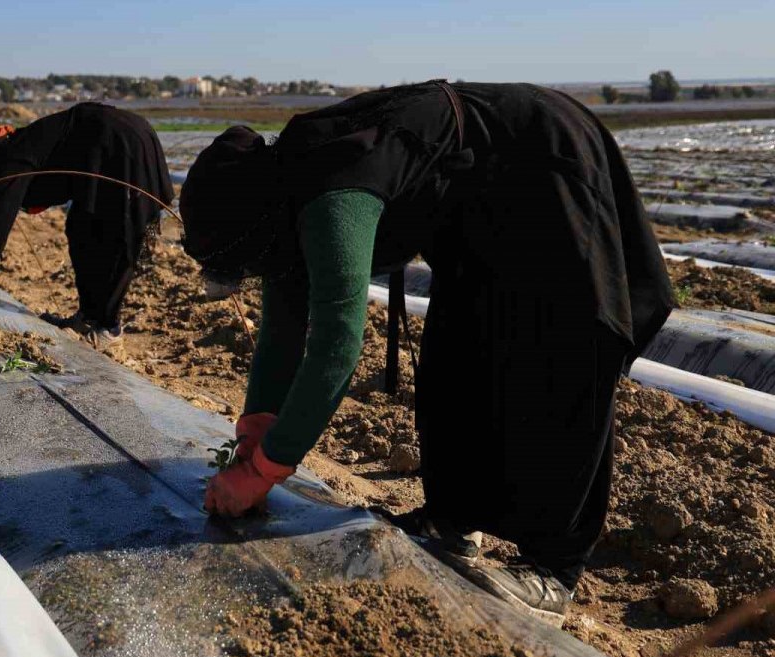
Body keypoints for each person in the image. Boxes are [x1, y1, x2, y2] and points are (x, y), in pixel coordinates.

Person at [180, 80, 673, 626]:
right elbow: (280, 336)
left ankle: (554, 569)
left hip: (543, 165)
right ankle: (451, 523)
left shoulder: (329, 197)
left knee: (559, 352)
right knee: (454, 358)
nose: (247, 274)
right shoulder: (279, 206)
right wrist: (251, 436)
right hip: (474, 210)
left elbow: (336, 349)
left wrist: (263, 472)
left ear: (248, 228)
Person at [0, 103, 174, 345]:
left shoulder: (7, 161)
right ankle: (89, 316)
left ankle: (108, 328)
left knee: (116, 233)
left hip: (120, 143)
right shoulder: (3, 148)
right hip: (105, 138)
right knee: (81, 229)